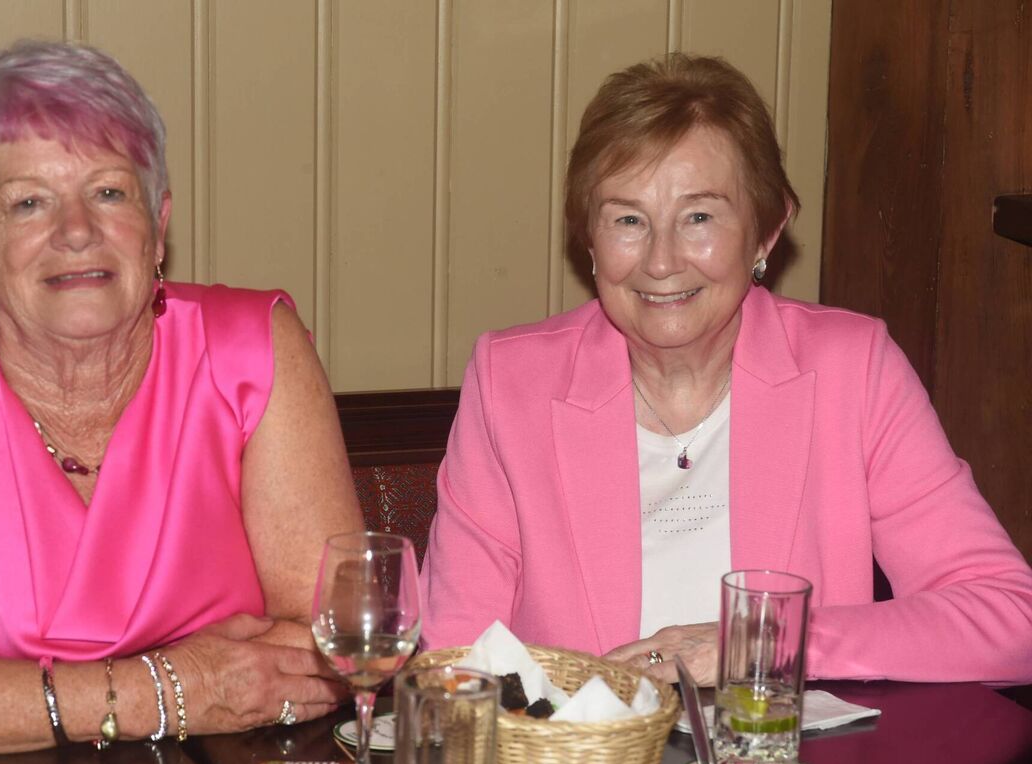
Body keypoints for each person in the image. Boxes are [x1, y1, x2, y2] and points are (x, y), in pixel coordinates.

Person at [418, 54, 1032, 687]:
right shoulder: (510, 383)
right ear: (590, 240)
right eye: (629, 219)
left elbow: (1010, 620)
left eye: (700, 217)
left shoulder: (854, 369)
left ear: (765, 234)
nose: (661, 261)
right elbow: (454, 666)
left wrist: (762, 643)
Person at [0, 40, 362, 755]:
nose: (77, 231)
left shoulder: (254, 352)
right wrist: (170, 688)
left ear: (158, 223)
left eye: (109, 192)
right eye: (27, 204)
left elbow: (332, 651)